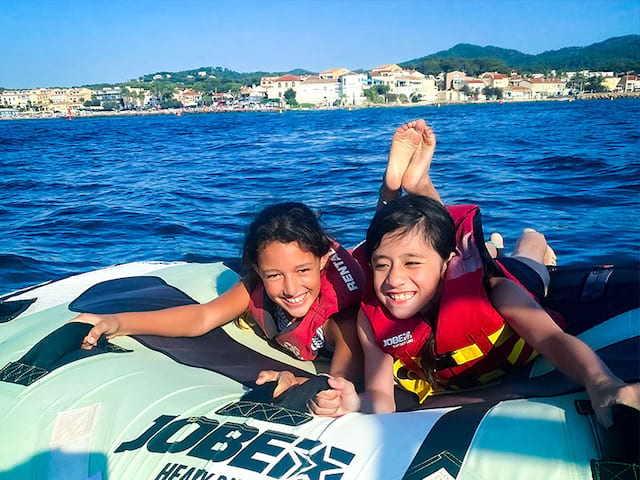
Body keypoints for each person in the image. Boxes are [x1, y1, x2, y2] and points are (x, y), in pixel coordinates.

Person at [309, 119, 639, 428]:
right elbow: (381, 397)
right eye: (381, 265)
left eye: (411, 264)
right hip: (441, 266)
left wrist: (602, 383)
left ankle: (528, 238)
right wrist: (354, 403)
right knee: (414, 239)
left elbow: (554, 340)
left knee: (531, 259)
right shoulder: (374, 318)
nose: (393, 279)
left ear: (449, 263)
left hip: (517, 279)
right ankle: (413, 195)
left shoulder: (497, 293)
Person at [76, 202, 365, 385]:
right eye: (275, 275)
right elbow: (203, 317)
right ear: (258, 269)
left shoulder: (343, 318)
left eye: (303, 271)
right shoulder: (256, 287)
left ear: (323, 262)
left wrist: (296, 382)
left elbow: (339, 382)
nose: (291, 289)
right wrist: (119, 323)